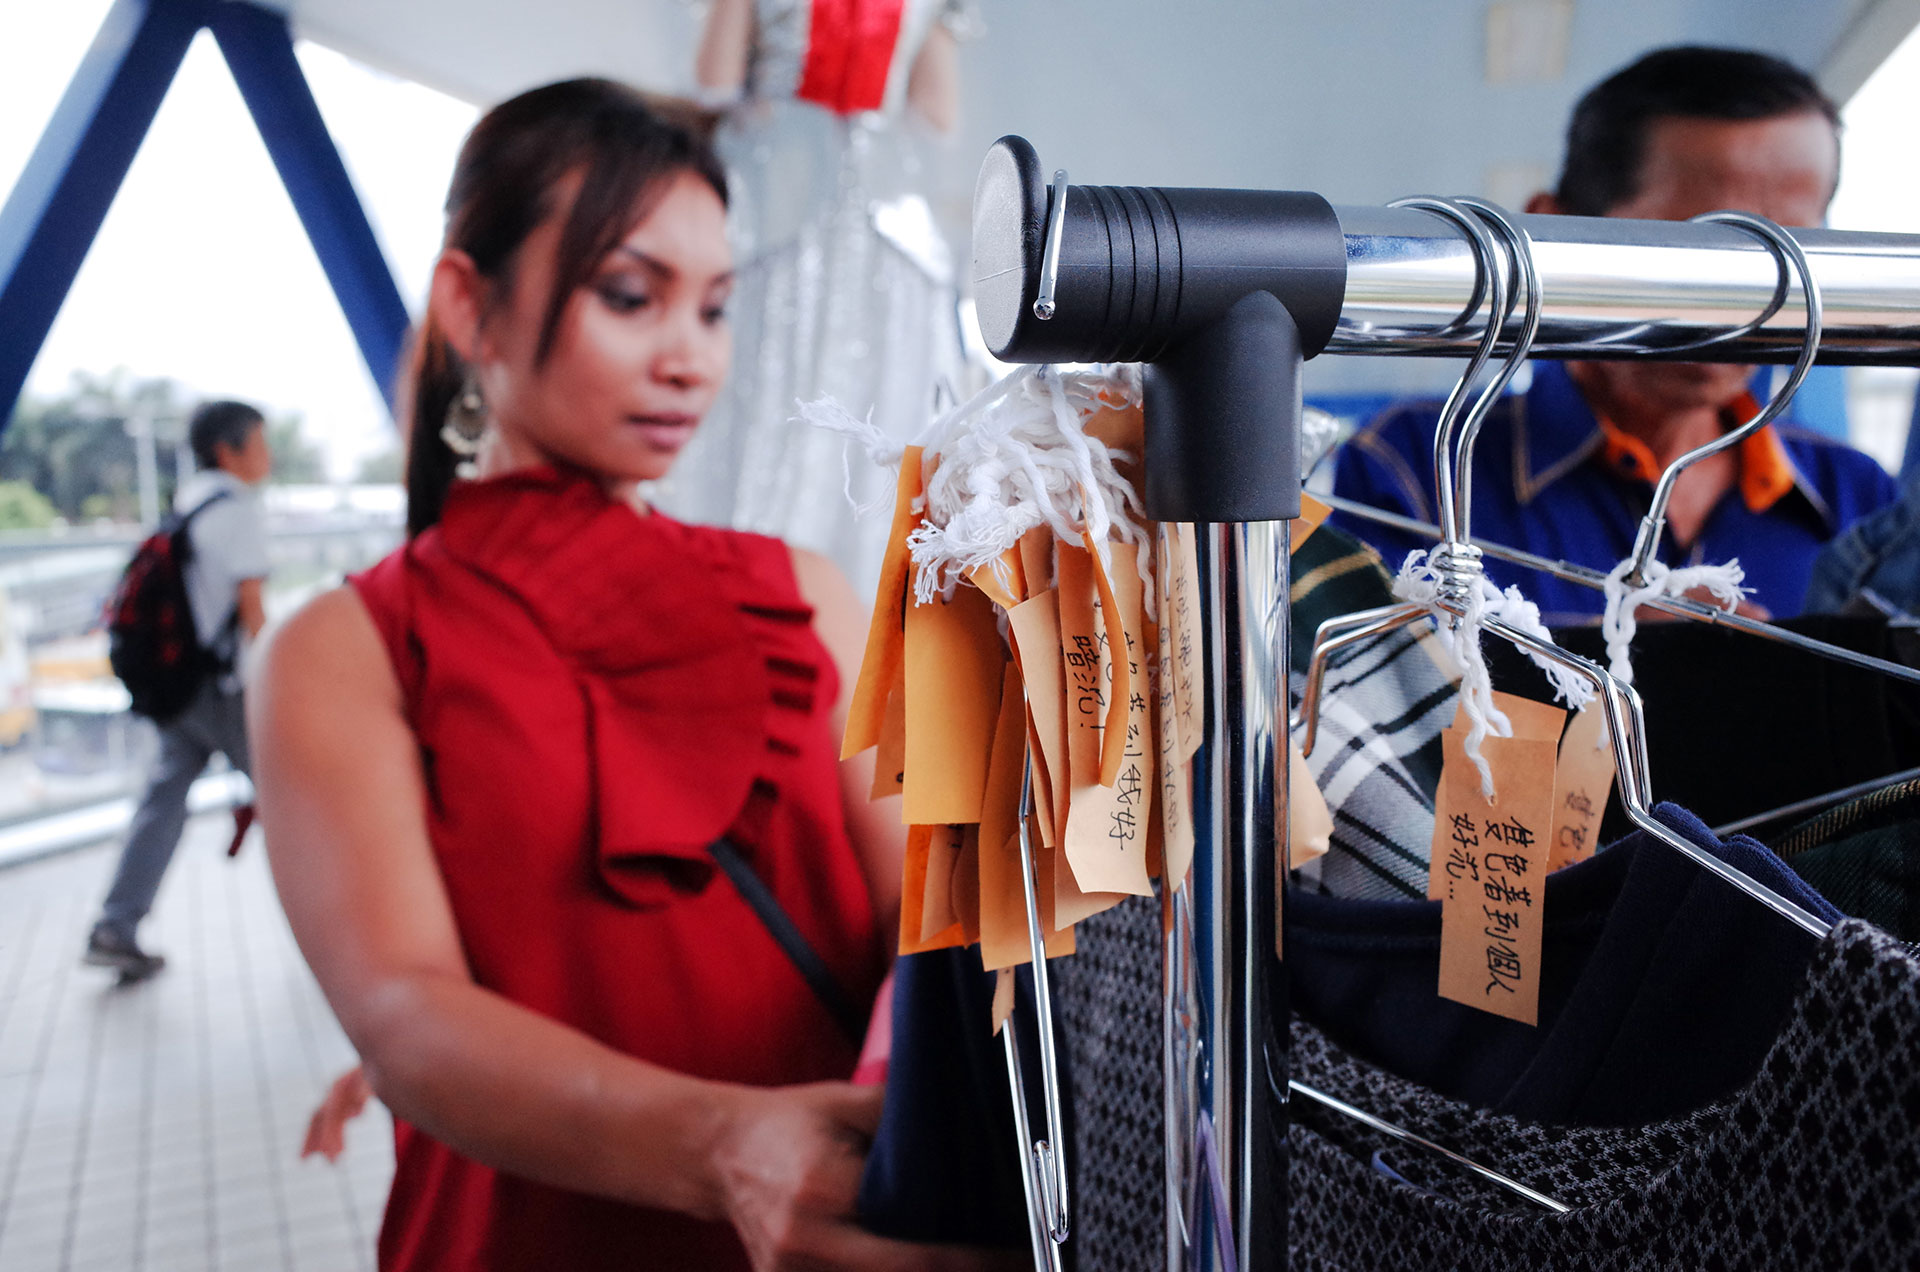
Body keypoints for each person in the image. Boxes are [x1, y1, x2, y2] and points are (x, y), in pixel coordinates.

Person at [249, 80, 1007, 1271]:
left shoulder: (803, 589)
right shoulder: (339, 649)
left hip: (835, 1228)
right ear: (469, 304)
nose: (689, 359)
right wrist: (722, 1150)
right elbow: (403, 1014)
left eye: (714, 309)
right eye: (630, 296)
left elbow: (926, 925)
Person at [1331, 46, 1898, 622]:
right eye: (1695, 247)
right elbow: (1367, 697)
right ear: (1553, 232)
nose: (1748, 301)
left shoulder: (1859, 497)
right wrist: (1619, 664)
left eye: (1791, 252)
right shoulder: (1419, 468)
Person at [656, 0, 972, 594]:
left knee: (779, 394)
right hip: (864, 213)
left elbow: (712, 86)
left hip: (790, 195)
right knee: (857, 396)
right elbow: (937, 119)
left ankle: (786, 597)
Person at [84, 398, 271, 979]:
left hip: (178, 689)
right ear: (228, 450)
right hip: (224, 691)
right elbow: (252, 614)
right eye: (260, 442)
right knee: (300, 799)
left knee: (162, 803)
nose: (268, 455)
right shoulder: (238, 510)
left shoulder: (188, 503)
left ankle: (116, 925)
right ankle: (362, 927)